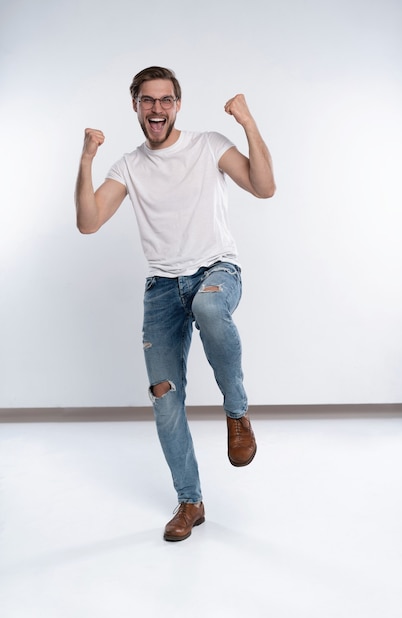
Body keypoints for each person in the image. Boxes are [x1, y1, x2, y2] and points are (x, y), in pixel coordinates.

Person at [75, 66, 275, 542]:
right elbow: (88, 222)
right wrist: (85, 160)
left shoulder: (208, 145)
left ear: (178, 105)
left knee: (209, 307)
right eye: (148, 101)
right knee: (165, 401)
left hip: (216, 273)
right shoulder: (127, 165)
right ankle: (190, 502)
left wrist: (248, 123)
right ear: (136, 106)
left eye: (166, 100)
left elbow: (264, 187)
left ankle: (237, 413)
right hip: (162, 289)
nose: (157, 109)